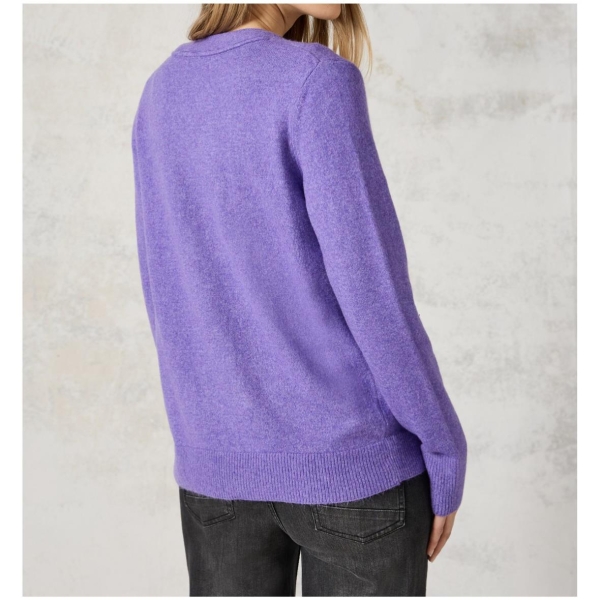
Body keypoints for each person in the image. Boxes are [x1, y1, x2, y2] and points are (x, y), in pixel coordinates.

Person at [132, 3, 468, 596]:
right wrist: (442, 443)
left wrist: (206, 432)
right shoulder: (317, 80)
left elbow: (164, 286)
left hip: (216, 469)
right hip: (352, 469)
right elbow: (373, 291)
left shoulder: (161, 91)